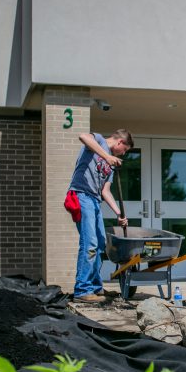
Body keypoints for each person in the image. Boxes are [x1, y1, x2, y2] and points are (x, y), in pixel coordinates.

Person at [68, 128, 134, 303]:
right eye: (125, 150)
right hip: (81, 195)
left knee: (100, 244)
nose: (123, 154)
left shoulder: (110, 165)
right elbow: (83, 137)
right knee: (89, 243)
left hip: (95, 200)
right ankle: (82, 290)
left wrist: (119, 214)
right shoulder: (98, 139)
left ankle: (96, 288)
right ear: (120, 142)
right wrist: (107, 156)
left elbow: (106, 191)